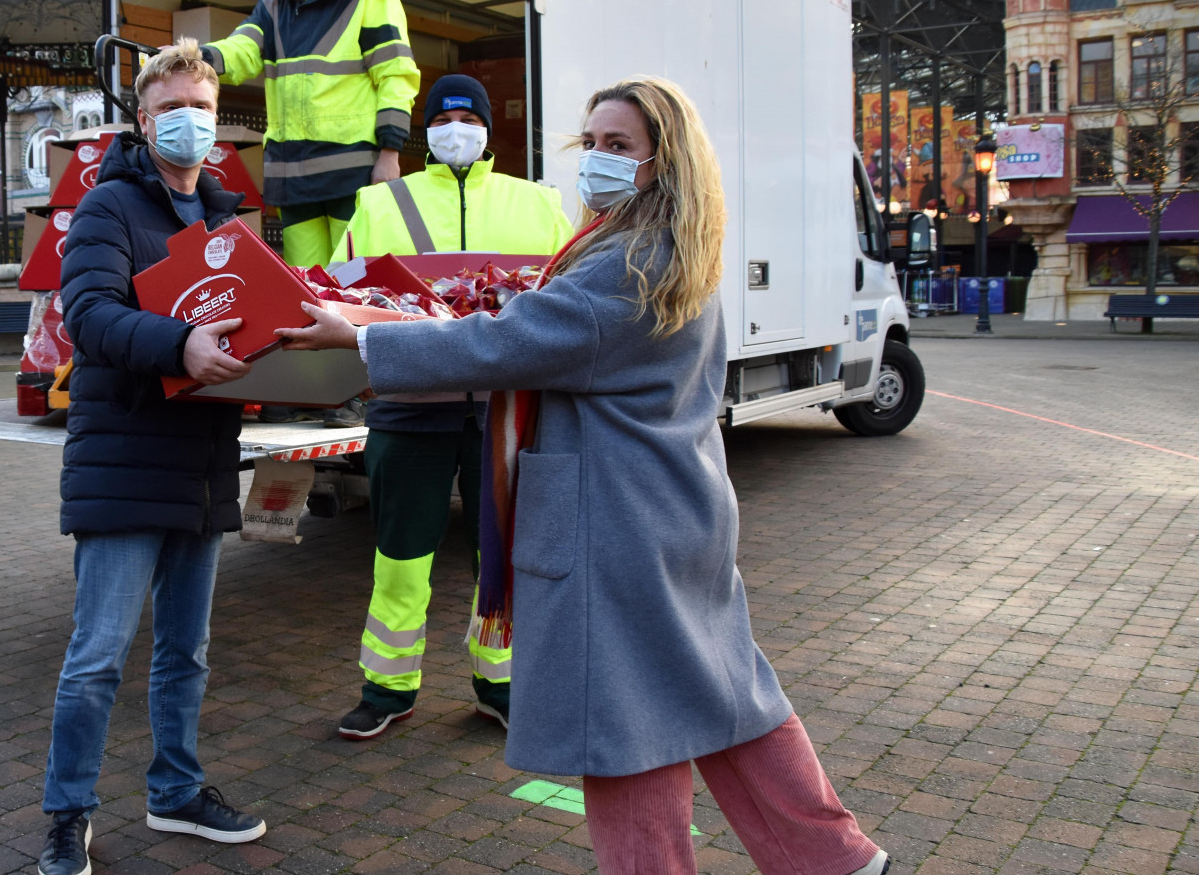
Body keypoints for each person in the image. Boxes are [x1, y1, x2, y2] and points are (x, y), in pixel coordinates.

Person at [276, 76, 890, 875]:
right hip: (672, 508)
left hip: (618, 521)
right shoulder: (664, 243)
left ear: (662, 162)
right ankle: (835, 858)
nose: (596, 159)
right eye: (591, 142)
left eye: (619, 146)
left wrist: (359, 339)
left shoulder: (627, 259)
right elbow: (520, 330)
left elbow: (505, 343)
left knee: (625, 725)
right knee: (722, 694)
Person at [37, 40, 267, 875]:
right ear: (143, 119)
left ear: (219, 124)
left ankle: (175, 790)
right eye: (172, 109)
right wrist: (182, 346)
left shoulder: (224, 216)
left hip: (199, 455)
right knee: (97, 656)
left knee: (187, 650)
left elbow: (247, 320)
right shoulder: (108, 207)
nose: (188, 123)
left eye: (202, 109)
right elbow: (88, 317)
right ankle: (67, 816)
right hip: (126, 456)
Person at [327, 74, 573, 740]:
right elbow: (338, 291)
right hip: (409, 406)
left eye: (469, 115)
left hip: (505, 409)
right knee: (401, 554)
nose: (456, 126)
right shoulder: (379, 204)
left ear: (489, 128)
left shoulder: (539, 205)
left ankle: (500, 682)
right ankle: (387, 687)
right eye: (443, 116)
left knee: (500, 554)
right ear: (425, 130)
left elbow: (569, 297)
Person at [199, 0, 420, 269]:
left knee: (355, 282)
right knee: (308, 286)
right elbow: (241, 51)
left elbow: (396, 76)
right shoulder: (273, 5)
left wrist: (390, 152)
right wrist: (194, 56)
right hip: (293, 180)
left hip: (352, 175)